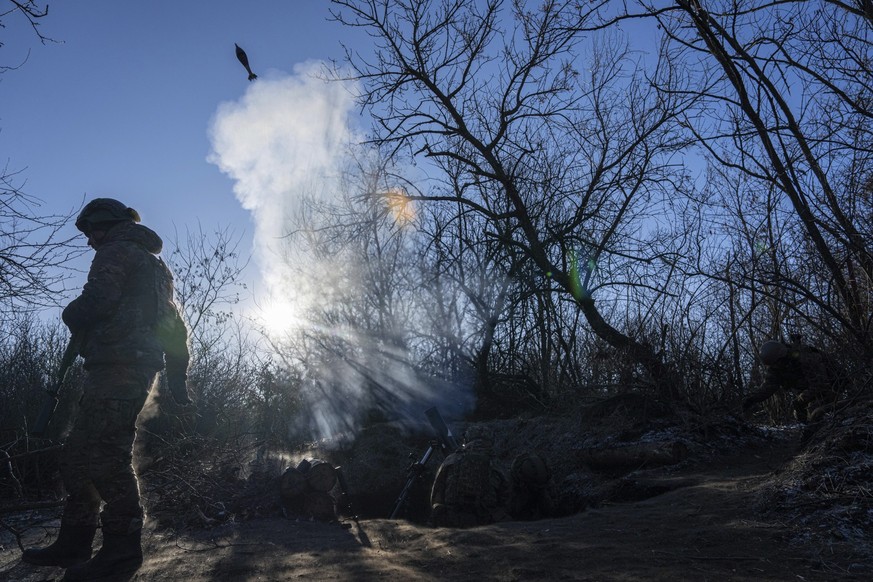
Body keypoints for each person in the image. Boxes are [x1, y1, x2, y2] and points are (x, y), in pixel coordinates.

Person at [22, 198, 191, 580]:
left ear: (105, 225)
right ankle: (74, 544)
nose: (89, 242)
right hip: (120, 367)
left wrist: (70, 313)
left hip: (120, 367)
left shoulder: (116, 250)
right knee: (78, 454)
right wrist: (178, 378)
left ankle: (120, 557)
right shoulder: (153, 265)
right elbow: (174, 324)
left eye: (90, 233)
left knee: (105, 459)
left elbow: (97, 301)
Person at [742, 339, 840, 426]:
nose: (775, 367)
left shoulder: (805, 357)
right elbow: (768, 388)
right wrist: (751, 399)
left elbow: (821, 384)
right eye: (773, 365)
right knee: (799, 411)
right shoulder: (776, 367)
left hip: (835, 385)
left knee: (814, 412)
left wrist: (801, 398)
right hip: (813, 390)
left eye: (776, 363)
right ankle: (808, 430)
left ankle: (822, 432)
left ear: (781, 357)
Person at [429, 426, 510, 528]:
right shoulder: (496, 464)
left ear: (467, 439)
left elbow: (436, 493)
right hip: (486, 522)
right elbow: (507, 496)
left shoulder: (451, 460)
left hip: (452, 521)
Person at [508, 452, 554, 521]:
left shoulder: (544, 477)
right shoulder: (511, 484)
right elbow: (511, 509)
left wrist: (542, 493)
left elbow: (550, 508)